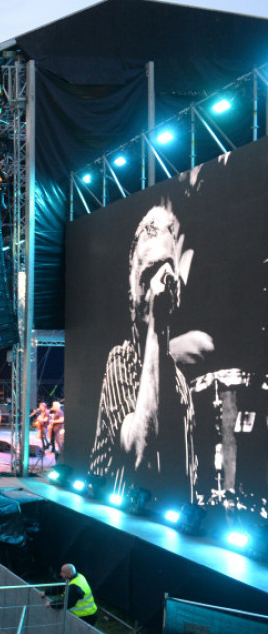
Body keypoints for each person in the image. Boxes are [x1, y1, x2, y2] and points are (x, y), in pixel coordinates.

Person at [89, 204, 197, 499]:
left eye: (166, 269)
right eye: (149, 272)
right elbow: (139, 451)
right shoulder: (120, 360)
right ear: (130, 291)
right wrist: (156, 327)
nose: (159, 284)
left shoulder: (177, 380)